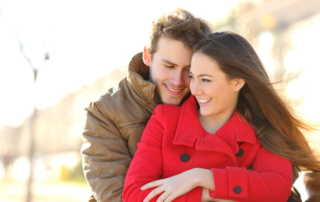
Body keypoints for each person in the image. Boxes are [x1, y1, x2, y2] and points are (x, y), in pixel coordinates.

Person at [123, 31, 320, 202]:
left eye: (206, 80)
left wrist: (199, 177)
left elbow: (276, 189)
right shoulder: (165, 120)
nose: (195, 89)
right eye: (192, 77)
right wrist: (209, 193)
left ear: (237, 82)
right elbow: (134, 195)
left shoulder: (263, 128)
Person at [81, 9, 212, 202]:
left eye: (189, 70)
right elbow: (116, 197)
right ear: (148, 56)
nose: (177, 81)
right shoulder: (104, 111)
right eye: (169, 66)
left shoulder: (209, 104)